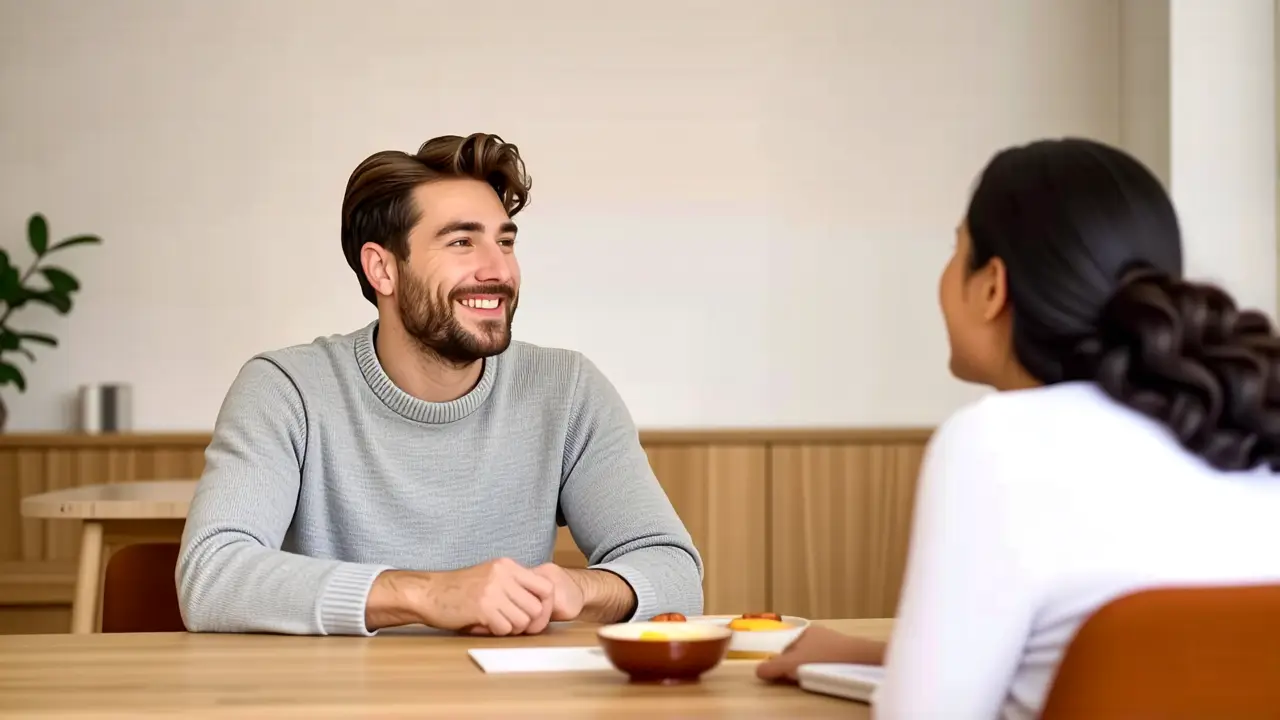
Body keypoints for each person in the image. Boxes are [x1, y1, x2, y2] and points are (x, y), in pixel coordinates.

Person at [758, 137, 1280, 718]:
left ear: (992, 286)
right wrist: (874, 653)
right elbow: (1172, 662)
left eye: (957, 251)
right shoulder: (1249, 424)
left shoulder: (995, 443)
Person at [177, 133, 703, 637]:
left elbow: (675, 573)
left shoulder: (567, 391)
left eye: (504, 242)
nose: (499, 269)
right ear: (382, 269)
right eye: (461, 241)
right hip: (336, 699)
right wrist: (428, 596)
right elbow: (212, 574)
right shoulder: (286, 389)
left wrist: (578, 590)